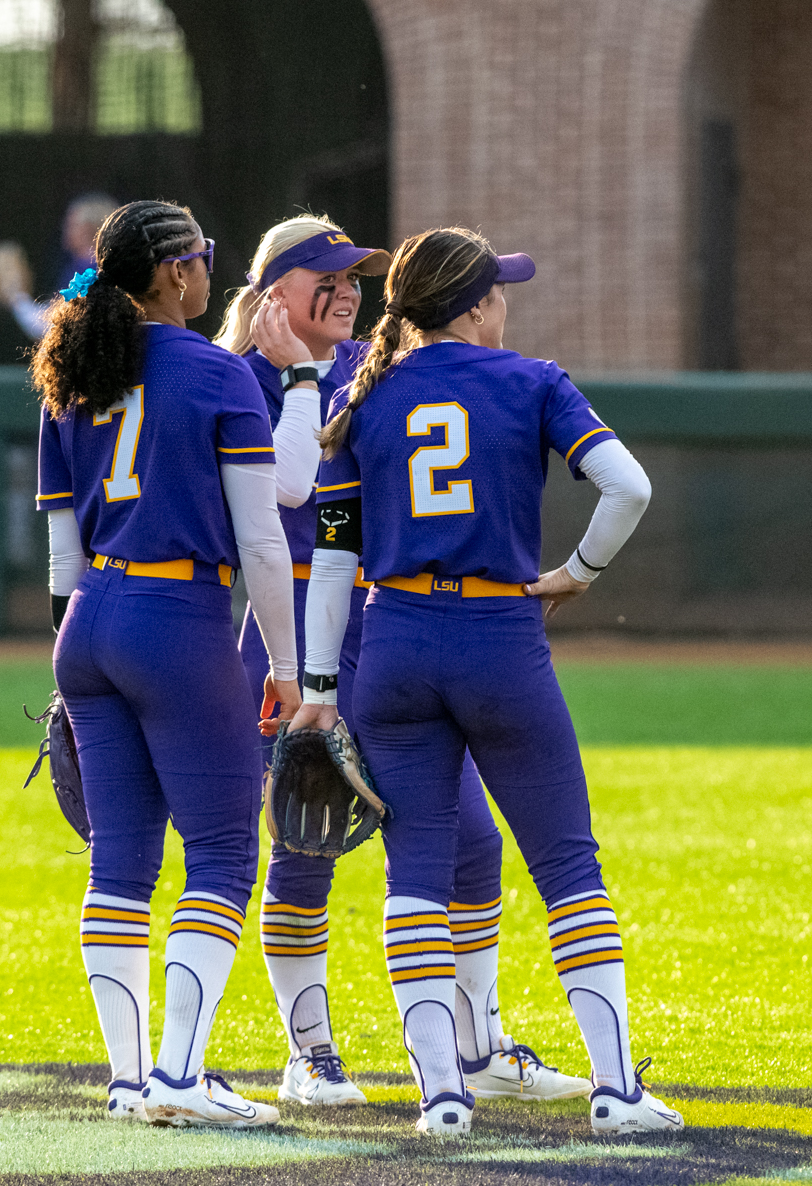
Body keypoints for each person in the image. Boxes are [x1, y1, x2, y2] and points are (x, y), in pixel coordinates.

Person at [291, 227, 682, 1139]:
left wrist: (318, 685)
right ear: (472, 307)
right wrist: (576, 573)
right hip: (501, 635)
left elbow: (336, 559)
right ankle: (617, 1090)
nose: (505, 304)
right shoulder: (533, 381)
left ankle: (442, 1097)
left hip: (394, 646)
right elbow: (629, 488)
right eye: (497, 292)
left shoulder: (365, 395)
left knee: (414, 871)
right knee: (567, 864)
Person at [215, 215, 591, 1110]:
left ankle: (477, 1047)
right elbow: (297, 485)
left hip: (387, 628)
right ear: (276, 290)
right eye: (327, 276)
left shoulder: (366, 370)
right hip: (294, 626)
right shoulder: (239, 377)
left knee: (470, 840)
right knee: (306, 840)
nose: (349, 289)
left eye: (356, 276)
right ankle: (309, 1053)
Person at [33, 199, 298, 1129]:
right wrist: (292, 669)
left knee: (120, 860)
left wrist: (77, 666)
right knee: (225, 849)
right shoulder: (219, 372)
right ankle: (180, 1076)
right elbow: (264, 543)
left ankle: (129, 1077)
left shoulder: (70, 370)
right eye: (204, 257)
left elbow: (64, 558)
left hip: (91, 622)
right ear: (177, 272)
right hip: (177, 613)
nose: (208, 272)